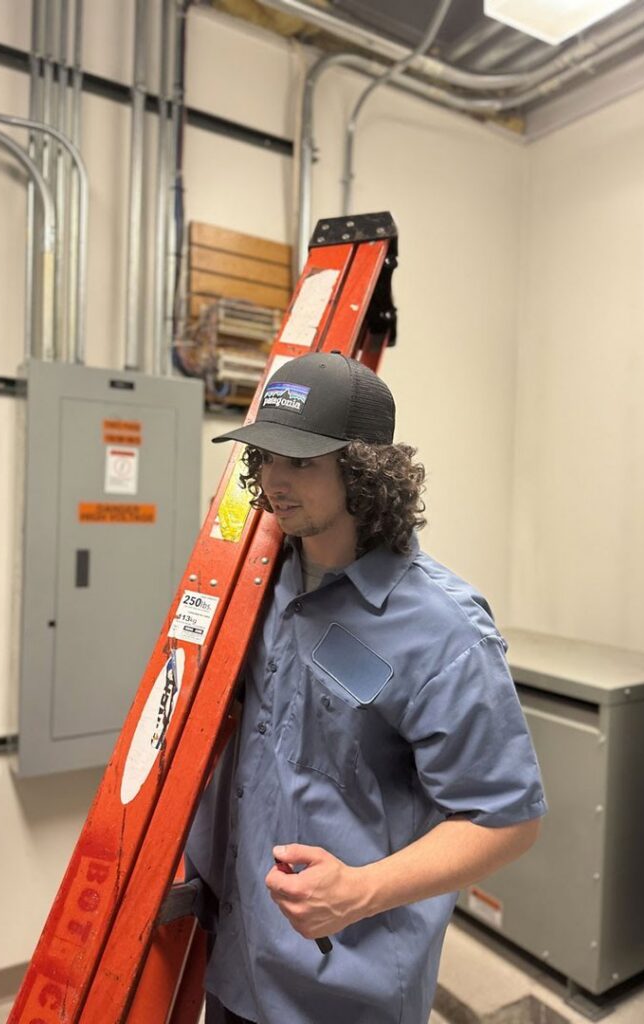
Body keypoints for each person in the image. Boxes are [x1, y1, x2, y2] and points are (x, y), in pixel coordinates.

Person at [186, 352, 547, 1024]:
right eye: (265, 457)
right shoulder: (258, 581)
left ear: (364, 473)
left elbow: (508, 819)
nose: (274, 481)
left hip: (344, 986)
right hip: (232, 959)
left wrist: (359, 890)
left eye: (302, 462)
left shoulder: (442, 628)